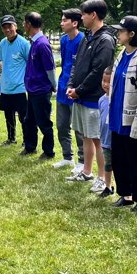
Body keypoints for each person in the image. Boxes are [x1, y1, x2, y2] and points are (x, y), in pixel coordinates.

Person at [65, 0, 116, 184]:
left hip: (94, 98)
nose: (81, 18)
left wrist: (79, 90)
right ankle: (87, 172)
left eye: (84, 14)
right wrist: (71, 85)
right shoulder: (87, 37)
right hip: (81, 96)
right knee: (86, 135)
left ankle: (103, 178)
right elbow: (76, 64)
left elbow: (98, 71)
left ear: (93, 15)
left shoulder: (105, 40)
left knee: (97, 138)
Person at [106, 16, 137, 212]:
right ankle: (125, 194)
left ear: (132, 34)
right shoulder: (122, 54)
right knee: (119, 157)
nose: (118, 34)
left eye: (121, 31)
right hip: (118, 116)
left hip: (134, 119)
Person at [20, 12, 57, 159]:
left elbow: (50, 68)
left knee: (44, 122)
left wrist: (54, 85)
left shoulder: (42, 44)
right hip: (32, 89)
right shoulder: (34, 42)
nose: (23, 25)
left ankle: (48, 151)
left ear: (29, 24)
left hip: (41, 89)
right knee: (29, 120)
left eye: (24, 23)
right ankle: (30, 147)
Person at [54, 9, 85, 171]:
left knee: (78, 128)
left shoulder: (83, 40)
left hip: (75, 91)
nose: (61, 23)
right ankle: (67, 157)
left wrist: (76, 88)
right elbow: (66, 63)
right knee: (61, 125)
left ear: (74, 23)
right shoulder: (64, 40)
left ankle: (83, 161)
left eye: (64, 20)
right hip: (62, 88)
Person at [0, 15, 30, 146]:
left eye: (9, 26)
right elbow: (1, 62)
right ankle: (11, 138)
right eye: (4, 27)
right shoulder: (3, 43)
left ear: (15, 26)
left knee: (23, 117)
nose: (7, 30)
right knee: (8, 115)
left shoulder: (24, 43)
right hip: (6, 87)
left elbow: (30, 64)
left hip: (20, 87)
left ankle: (27, 140)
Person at [95, 67, 114, 197]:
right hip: (105, 140)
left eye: (109, 81)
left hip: (116, 139)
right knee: (108, 164)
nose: (105, 84)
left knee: (119, 165)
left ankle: (125, 189)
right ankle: (108, 186)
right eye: (104, 80)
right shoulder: (101, 100)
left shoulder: (117, 100)